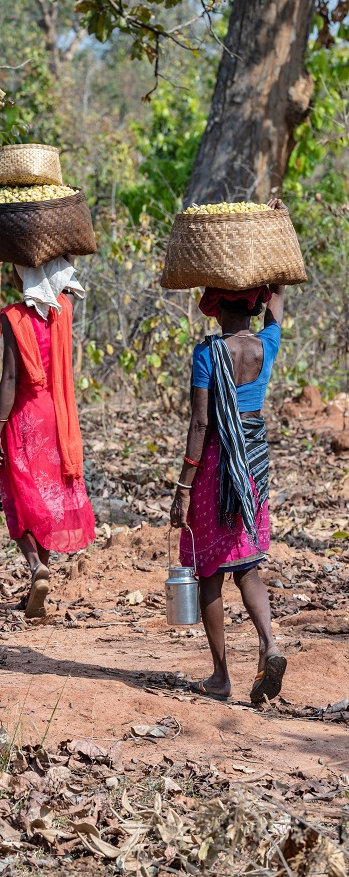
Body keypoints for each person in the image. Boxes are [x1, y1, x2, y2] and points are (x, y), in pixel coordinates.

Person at [170, 257, 288, 704]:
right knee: (249, 566)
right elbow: (278, 296)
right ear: (254, 305)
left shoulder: (207, 353)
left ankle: (221, 677)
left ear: (215, 307)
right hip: (254, 465)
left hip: (217, 465)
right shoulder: (267, 346)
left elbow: (201, 424)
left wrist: (183, 486)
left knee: (210, 573)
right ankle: (270, 644)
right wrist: (278, 236)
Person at [0, 256, 96, 617]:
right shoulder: (64, 308)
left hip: (25, 420)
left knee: (17, 499)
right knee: (46, 502)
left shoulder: (13, 317)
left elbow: (11, 380)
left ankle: (35, 566)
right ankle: (37, 586)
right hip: (57, 417)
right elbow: (66, 263)